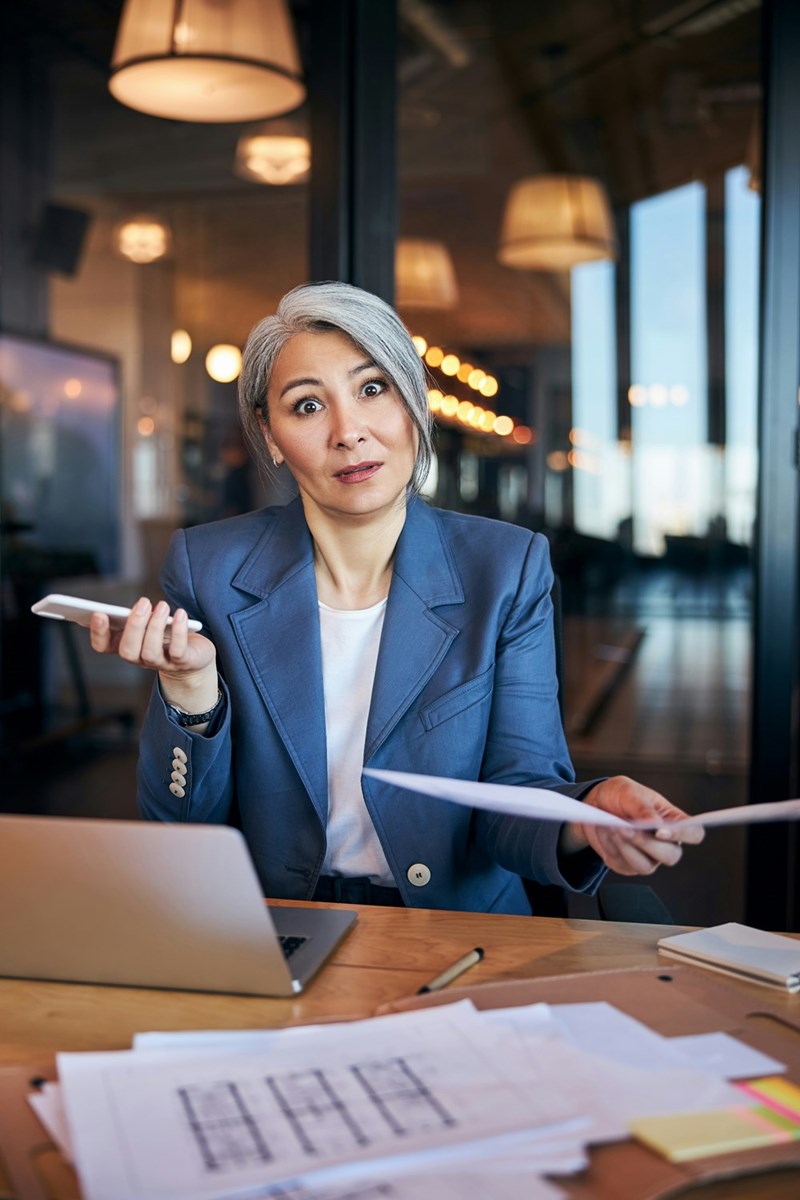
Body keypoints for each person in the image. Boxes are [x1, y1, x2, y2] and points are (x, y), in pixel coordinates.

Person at [90, 282, 703, 913]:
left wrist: (585, 818)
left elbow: (517, 795)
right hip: (273, 925)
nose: (348, 432)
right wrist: (192, 697)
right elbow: (183, 826)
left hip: (455, 930)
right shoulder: (209, 568)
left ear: (414, 405)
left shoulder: (506, 568)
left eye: (373, 389)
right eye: (306, 406)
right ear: (270, 437)